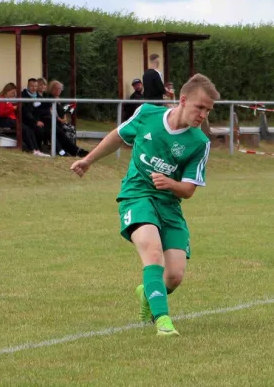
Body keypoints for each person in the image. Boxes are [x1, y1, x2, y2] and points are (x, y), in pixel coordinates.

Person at [70, 73, 220, 337]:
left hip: (169, 206)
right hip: (136, 195)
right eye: (200, 107)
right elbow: (118, 136)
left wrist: (169, 183)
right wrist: (88, 160)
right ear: (183, 100)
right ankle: (163, 322)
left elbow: (188, 190)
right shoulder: (147, 114)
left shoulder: (199, 143)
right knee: (153, 252)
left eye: (208, 110)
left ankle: (147, 293)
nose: (203, 115)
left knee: (174, 276)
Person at [0, 82, 49, 156]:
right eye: (12, 93)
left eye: (15, 93)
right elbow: (0, 113)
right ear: (7, 91)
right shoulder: (1, 99)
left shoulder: (8, 100)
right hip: (4, 120)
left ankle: (37, 149)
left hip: (11, 120)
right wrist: (13, 108)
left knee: (29, 129)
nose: (14, 95)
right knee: (25, 129)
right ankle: (32, 149)